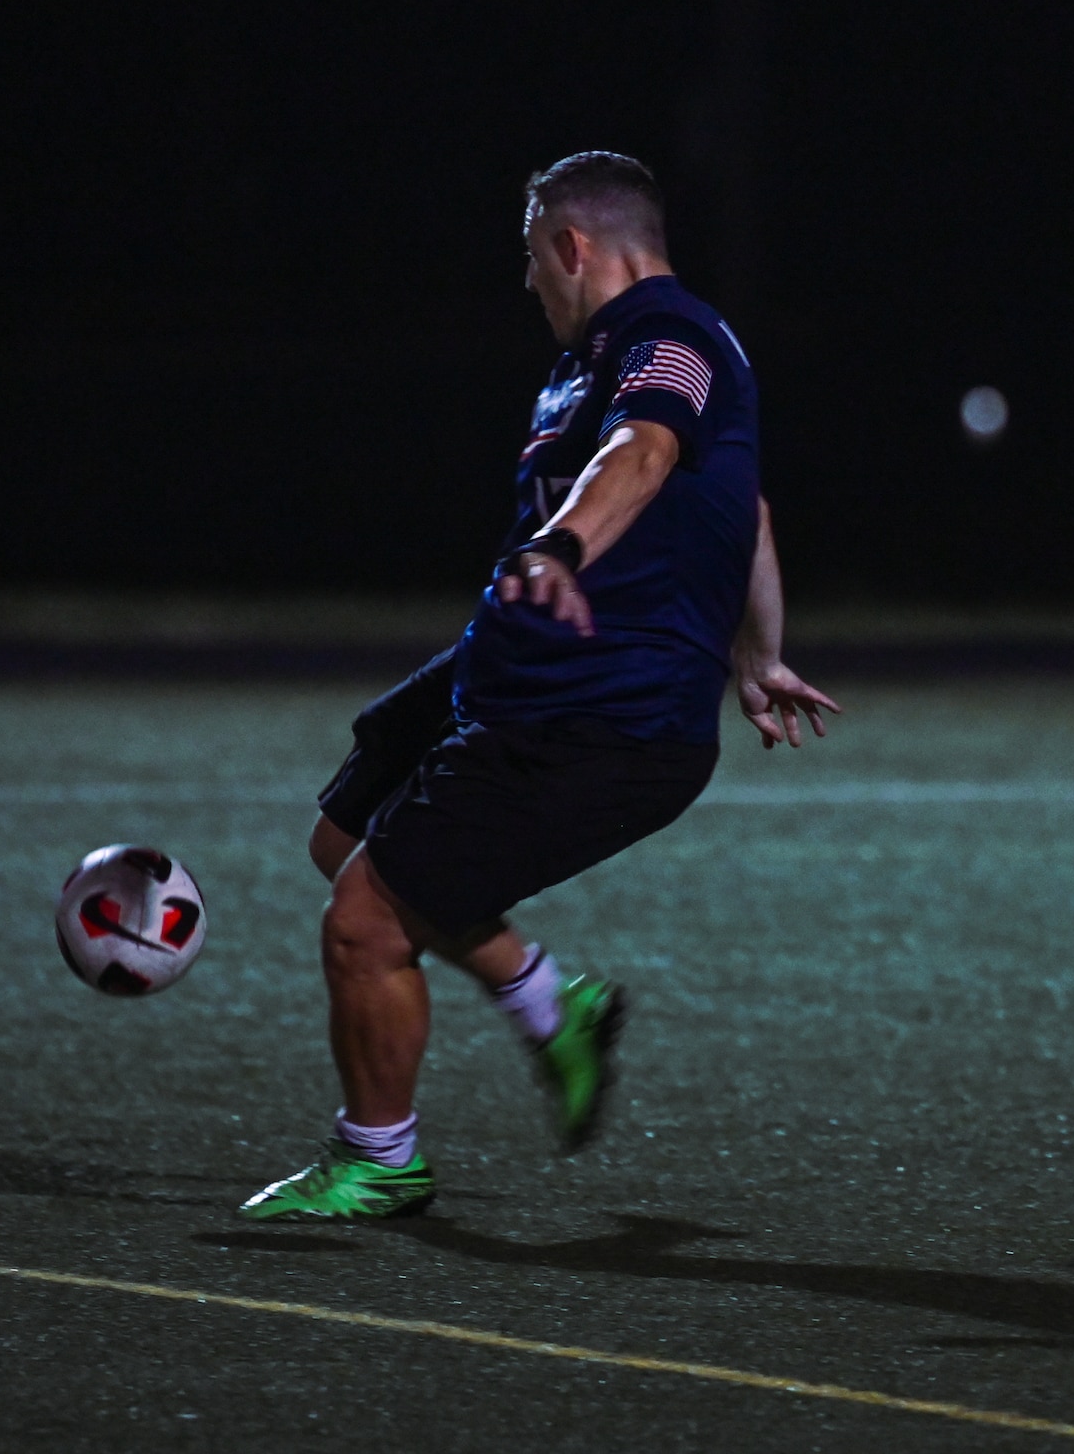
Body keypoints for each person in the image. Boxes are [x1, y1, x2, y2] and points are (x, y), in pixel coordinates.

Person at [240, 151, 839, 1221]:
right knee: (342, 834)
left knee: (363, 921)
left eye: (529, 259)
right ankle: (547, 1002)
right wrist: (758, 653)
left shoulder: (670, 338)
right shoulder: (590, 358)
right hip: (512, 665)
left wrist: (557, 553)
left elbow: (644, 451)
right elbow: (739, 506)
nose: (525, 285)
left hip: (600, 713)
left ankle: (379, 1157)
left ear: (570, 247)